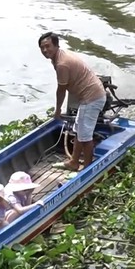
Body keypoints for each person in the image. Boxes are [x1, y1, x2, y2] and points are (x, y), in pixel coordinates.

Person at [38, 31, 107, 171]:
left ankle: (87, 169)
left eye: (48, 46)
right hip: (88, 97)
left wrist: (57, 110)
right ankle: (74, 162)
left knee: (85, 136)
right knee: (78, 130)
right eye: (42, 47)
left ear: (56, 45)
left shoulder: (62, 63)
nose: (45, 50)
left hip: (92, 98)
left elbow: (61, 90)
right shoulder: (59, 56)